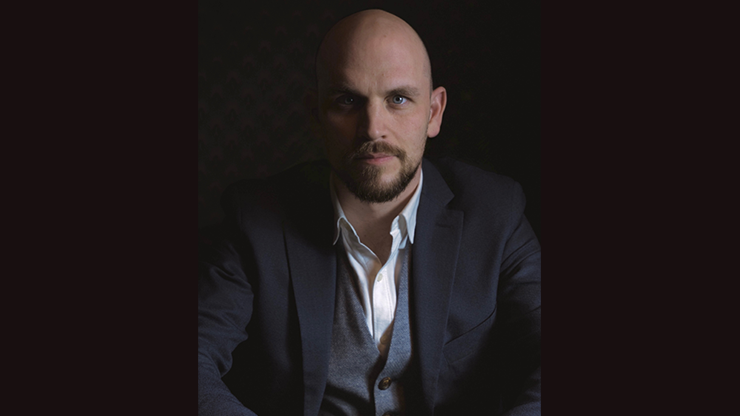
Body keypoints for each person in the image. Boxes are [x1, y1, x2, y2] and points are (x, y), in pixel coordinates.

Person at [199, 9, 540, 416]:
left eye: (398, 99)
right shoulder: (254, 220)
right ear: (315, 115)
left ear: (434, 112)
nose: (373, 128)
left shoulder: (496, 212)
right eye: (347, 100)